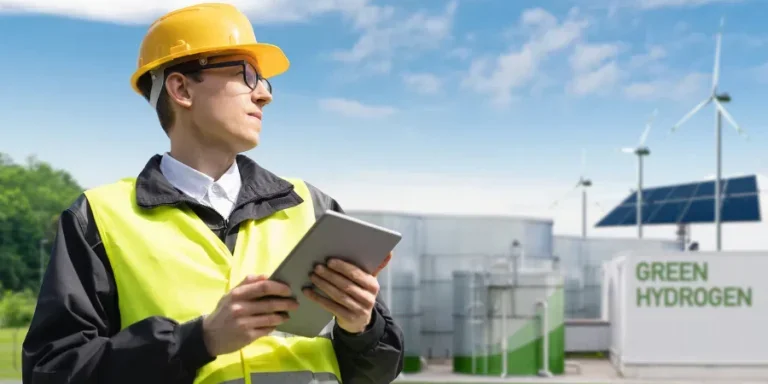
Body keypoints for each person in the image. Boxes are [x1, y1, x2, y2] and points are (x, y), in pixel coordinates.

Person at [21, 3, 405, 384]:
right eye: (246, 75)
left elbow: (377, 372)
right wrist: (198, 340)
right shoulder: (99, 219)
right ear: (181, 88)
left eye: (264, 82)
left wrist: (361, 327)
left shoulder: (312, 206)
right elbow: (53, 371)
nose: (264, 95)